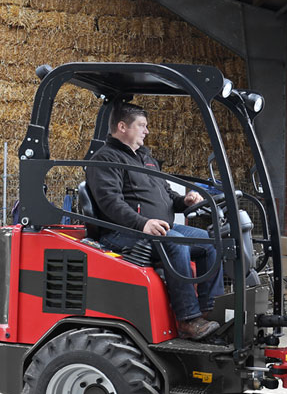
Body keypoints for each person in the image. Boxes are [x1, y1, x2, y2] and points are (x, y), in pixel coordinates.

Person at [86, 102, 224, 341]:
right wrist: (142, 224)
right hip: (122, 231)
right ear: (122, 127)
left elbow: (166, 195)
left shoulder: (145, 158)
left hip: (158, 226)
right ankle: (188, 320)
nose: (146, 131)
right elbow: (110, 202)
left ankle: (209, 309)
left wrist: (185, 201)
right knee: (176, 241)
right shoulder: (106, 159)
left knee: (212, 242)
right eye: (142, 125)